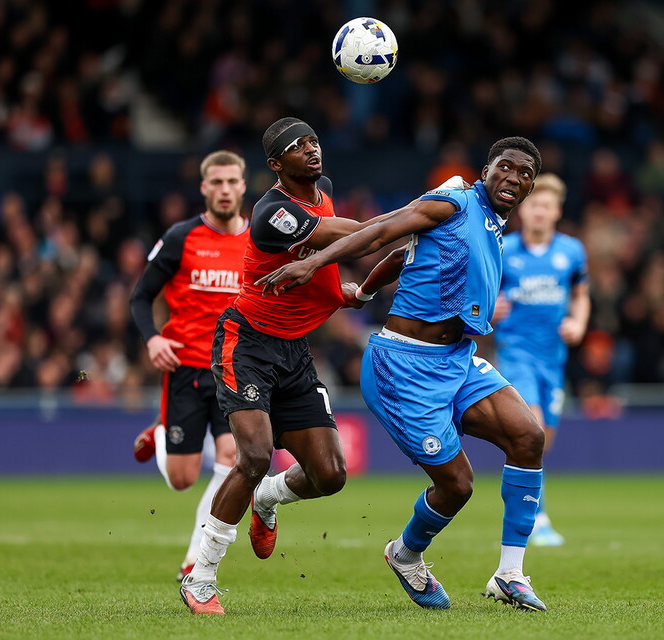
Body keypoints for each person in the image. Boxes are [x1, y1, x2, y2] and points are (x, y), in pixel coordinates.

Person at [257, 137, 550, 612]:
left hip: (456, 358)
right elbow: (382, 234)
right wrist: (312, 262)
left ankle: (509, 574)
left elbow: (404, 257)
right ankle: (404, 554)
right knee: (458, 485)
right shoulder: (452, 202)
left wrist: (366, 292)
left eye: (525, 173)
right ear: (486, 169)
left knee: (528, 437)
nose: (514, 178)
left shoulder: (492, 223)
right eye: (506, 167)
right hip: (403, 367)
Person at [179, 117, 390, 615]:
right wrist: (410, 218)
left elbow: (324, 264)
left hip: (294, 351)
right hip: (246, 345)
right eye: (296, 147)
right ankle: (201, 577)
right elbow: (349, 237)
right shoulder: (271, 213)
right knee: (252, 456)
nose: (311, 150)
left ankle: (268, 499)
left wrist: (340, 293)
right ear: (276, 165)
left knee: (331, 474)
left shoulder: (326, 190)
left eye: (314, 141)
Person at [129, 150, 249, 582]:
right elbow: (140, 297)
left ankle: (195, 558)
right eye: (216, 182)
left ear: (243, 186)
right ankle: (160, 433)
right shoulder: (181, 237)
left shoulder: (258, 242)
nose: (223, 190)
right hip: (185, 368)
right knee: (181, 479)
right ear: (204, 188)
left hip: (235, 372)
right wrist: (154, 338)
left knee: (233, 458)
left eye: (231, 181)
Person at [493, 173, 590, 546]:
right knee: (530, 428)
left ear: (557, 212)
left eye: (546, 206)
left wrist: (578, 322)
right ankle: (535, 518)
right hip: (516, 352)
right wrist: (491, 311)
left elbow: (581, 294)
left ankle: (527, 505)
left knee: (542, 440)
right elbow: (481, 293)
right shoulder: (504, 249)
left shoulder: (572, 251)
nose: (539, 212)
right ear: (522, 210)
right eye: (533, 204)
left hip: (554, 357)